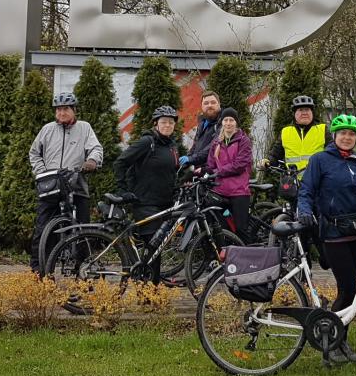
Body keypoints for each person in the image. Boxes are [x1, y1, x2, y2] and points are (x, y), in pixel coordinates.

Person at [296, 113, 356, 365]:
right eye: (343, 133)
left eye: (352, 134)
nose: (347, 137)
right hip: (334, 232)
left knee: (351, 290)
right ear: (335, 136)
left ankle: (340, 339)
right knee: (348, 287)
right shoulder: (320, 160)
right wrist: (304, 211)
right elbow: (306, 190)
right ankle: (332, 338)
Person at [27, 92, 103, 272]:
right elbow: (34, 153)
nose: (61, 113)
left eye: (66, 109)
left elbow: (96, 148)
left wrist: (92, 161)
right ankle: (38, 270)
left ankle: (82, 270)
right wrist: (42, 172)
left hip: (76, 185)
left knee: (82, 230)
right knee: (42, 229)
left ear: (74, 110)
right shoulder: (47, 129)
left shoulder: (84, 128)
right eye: (58, 109)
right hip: (50, 187)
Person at [112, 105, 181, 284]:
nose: (167, 125)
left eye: (171, 122)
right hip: (145, 203)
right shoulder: (146, 142)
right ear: (156, 123)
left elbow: (171, 173)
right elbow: (120, 162)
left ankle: (150, 287)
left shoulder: (172, 146)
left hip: (165, 204)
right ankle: (149, 290)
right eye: (164, 122)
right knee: (153, 247)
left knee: (157, 250)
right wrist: (123, 190)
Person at [205, 108, 253, 237]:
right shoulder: (216, 143)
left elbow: (239, 165)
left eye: (231, 120)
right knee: (220, 229)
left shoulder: (244, 140)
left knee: (241, 230)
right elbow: (210, 165)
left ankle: (246, 248)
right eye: (225, 120)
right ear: (222, 122)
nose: (228, 123)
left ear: (236, 123)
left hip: (239, 191)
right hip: (220, 191)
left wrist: (217, 172)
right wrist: (202, 172)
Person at [263, 95, 330, 178]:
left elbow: (333, 153)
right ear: (294, 114)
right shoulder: (286, 132)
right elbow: (275, 155)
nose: (304, 113)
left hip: (317, 180)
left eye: (307, 109)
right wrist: (267, 161)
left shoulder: (322, 130)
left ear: (312, 113)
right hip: (292, 180)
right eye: (300, 110)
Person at [182, 90, 221, 169]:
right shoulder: (202, 123)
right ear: (202, 106)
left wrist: (191, 159)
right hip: (199, 169)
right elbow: (195, 145)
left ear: (219, 105)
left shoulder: (223, 122)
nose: (209, 105)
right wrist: (187, 160)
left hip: (213, 171)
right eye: (206, 103)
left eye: (213, 102)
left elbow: (213, 147)